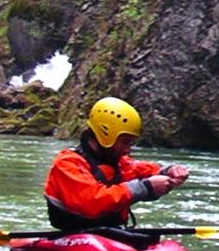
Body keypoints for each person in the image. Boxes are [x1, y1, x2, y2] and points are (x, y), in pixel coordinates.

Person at [45, 97, 190, 238]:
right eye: (125, 142)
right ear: (106, 135)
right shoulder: (67, 163)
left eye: (131, 143)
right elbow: (93, 202)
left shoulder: (117, 162)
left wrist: (168, 173)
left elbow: (141, 170)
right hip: (74, 234)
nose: (128, 149)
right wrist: (145, 187)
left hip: (111, 234)